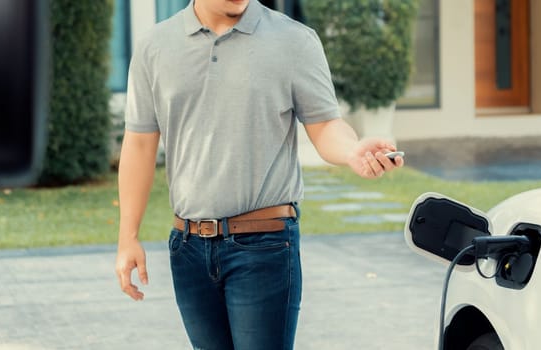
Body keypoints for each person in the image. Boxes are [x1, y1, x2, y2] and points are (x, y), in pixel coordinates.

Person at [114, 0, 404, 348]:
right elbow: (140, 146)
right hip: (188, 246)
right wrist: (127, 236)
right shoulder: (154, 47)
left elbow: (325, 125)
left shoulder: (294, 41)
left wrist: (351, 151)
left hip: (264, 244)